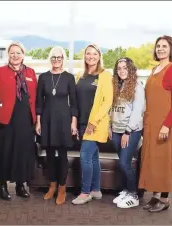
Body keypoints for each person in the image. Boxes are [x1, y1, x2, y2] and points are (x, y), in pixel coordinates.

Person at [0, 42, 37, 200]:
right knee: (4, 152)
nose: (15, 56)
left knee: (22, 152)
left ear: (23, 55)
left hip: (25, 119)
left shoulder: (31, 72)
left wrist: (37, 120)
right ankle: (2, 186)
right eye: (12, 53)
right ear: (8, 55)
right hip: (4, 120)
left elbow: (34, 98)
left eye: (18, 53)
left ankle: (20, 185)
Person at [139, 35, 172, 213]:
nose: (161, 49)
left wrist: (166, 125)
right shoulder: (154, 70)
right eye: (158, 46)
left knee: (164, 162)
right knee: (152, 161)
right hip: (150, 124)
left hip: (164, 124)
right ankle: (156, 196)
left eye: (164, 46)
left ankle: (165, 198)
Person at [71, 44, 113, 205]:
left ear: (99, 56)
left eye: (94, 54)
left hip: (95, 124)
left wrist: (93, 122)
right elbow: (75, 100)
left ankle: (85, 192)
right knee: (93, 157)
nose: (91, 56)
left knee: (85, 156)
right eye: (88, 53)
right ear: (85, 56)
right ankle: (96, 189)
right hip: (82, 122)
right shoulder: (80, 75)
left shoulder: (105, 75)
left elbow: (107, 102)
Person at [35, 46, 77, 205]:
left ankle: (62, 188)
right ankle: (52, 186)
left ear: (63, 59)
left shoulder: (69, 77)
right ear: (50, 59)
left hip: (64, 120)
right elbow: (39, 102)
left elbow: (74, 103)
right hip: (47, 119)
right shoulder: (44, 77)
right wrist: (38, 121)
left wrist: (73, 122)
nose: (56, 60)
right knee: (50, 156)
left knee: (63, 156)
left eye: (59, 58)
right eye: (54, 57)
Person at [109, 57, 145, 208]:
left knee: (125, 163)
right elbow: (112, 108)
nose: (122, 71)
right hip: (116, 130)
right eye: (119, 68)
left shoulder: (137, 86)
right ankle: (125, 190)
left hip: (130, 131)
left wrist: (127, 132)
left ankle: (133, 194)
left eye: (125, 68)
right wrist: (109, 125)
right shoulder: (117, 85)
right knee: (123, 162)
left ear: (131, 70)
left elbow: (137, 112)